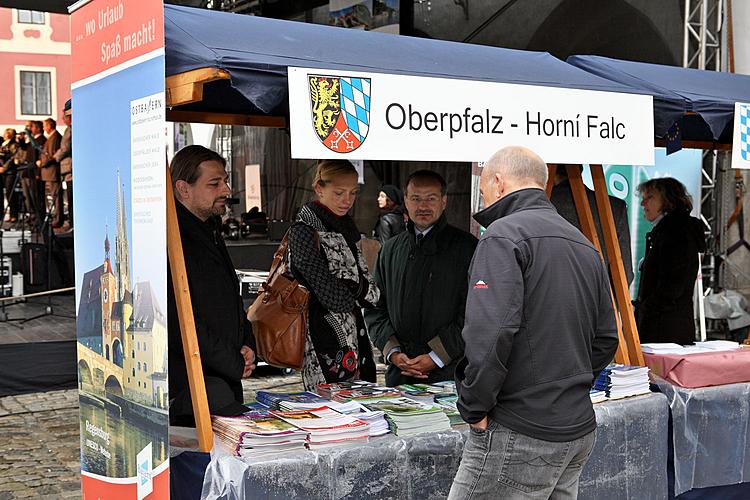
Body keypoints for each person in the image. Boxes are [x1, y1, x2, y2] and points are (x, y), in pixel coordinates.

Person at [450, 146, 619, 500]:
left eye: (483, 191)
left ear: (497, 182)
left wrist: (475, 407)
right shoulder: (584, 244)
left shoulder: (502, 236)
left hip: (520, 427)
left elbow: (490, 334)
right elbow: (606, 337)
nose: (484, 197)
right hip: (574, 425)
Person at [167, 145, 256, 425]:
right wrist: (233, 360)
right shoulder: (172, 240)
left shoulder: (209, 228)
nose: (226, 190)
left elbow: (229, 299)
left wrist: (247, 344)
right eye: (215, 183)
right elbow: (179, 317)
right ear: (183, 189)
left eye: (225, 181)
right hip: (193, 390)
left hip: (220, 381)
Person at [365, 171, 477, 386]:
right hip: (400, 374)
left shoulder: (466, 248)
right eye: (416, 198)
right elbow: (375, 306)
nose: (423, 206)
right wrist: (394, 352)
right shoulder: (390, 249)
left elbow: (473, 313)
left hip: (450, 375)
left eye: (431, 198)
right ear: (405, 201)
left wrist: (436, 356)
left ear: (444, 201)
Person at [288, 159, 380, 390]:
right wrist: (355, 288)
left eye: (353, 193)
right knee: (332, 409)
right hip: (322, 335)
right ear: (319, 188)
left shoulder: (347, 229)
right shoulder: (304, 230)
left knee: (363, 406)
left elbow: (372, 294)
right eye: (339, 192)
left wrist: (353, 287)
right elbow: (332, 296)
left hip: (355, 333)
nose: (347, 200)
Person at [635, 177, 706, 345]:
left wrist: (646, 308)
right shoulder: (668, 230)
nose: (643, 204)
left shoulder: (676, 232)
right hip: (665, 327)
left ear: (668, 200)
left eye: (649, 197)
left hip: (665, 332)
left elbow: (673, 285)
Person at [550, 165, 633, 285]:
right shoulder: (615, 207)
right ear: (581, 169)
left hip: (550, 300)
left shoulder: (539, 206)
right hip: (599, 300)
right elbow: (624, 274)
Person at [38, 118, 63, 228]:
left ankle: (58, 220)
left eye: (45, 125)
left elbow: (51, 155)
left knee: (56, 198)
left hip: (52, 172)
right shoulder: (52, 137)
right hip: (49, 173)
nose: (44, 128)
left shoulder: (55, 137)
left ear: (49, 126)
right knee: (53, 197)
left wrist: (42, 162)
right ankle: (56, 218)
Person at [21, 121, 45, 229]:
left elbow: (39, 157)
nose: (31, 129)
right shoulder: (32, 140)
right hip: (27, 172)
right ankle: (31, 216)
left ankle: (38, 219)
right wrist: (22, 138)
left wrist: (38, 173)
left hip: (34, 173)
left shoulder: (41, 140)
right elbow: (24, 148)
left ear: (38, 128)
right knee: (28, 197)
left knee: (35, 197)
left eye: (32, 127)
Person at [53, 99, 73, 230]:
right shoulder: (68, 129)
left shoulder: (70, 130)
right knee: (70, 199)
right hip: (67, 169)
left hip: (70, 169)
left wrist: (55, 157)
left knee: (72, 199)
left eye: (64, 117)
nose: (63, 120)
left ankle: (72, 223)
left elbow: (66, 148)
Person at [0, 128, 19, 222]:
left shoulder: (13, 144)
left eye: (5, 133)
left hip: (10, 172)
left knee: (10, 192)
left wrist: (4, 167)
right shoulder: (3, 144)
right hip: (1, 171)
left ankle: (14, 214)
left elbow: (12, 158)